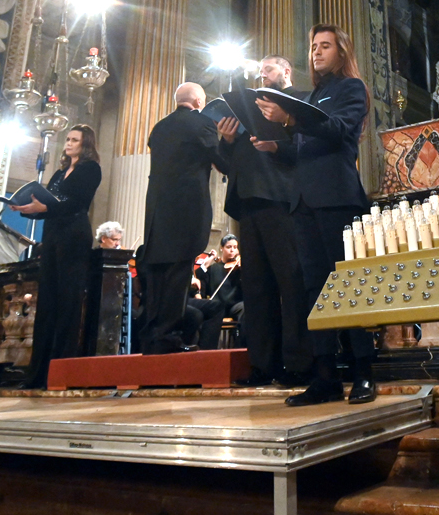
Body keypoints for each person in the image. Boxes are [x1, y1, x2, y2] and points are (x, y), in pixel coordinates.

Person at [256, 25, 376, 406]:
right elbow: (306, 151)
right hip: (304, 201)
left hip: (337, 196)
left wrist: (291, 121)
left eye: (325, 46)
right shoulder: (314, 95)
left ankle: (363, 372)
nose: (317, 52)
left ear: (342, 51)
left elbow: (340, 132)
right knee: (316, 289)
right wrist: (278, 147)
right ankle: (325, 376)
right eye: (312, 46)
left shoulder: (351, 89)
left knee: (348, 283)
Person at [215, 55, 313, 387]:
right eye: (260, 72)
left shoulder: (299, 102)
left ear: (286, 71)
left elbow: (308, 148)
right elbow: (231, 163)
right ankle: (262, 364)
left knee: (291, 282)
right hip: (248, 201)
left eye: (268, 69)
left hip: (282, 198)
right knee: (255, 288)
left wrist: (278, 142)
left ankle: (299, 363)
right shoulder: (250, 109)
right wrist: (227, 142)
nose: (263, 75)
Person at [141, 82, 227, 354]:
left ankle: (153, 338)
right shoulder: (202, 124)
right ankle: (168, 339)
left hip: (157, 212)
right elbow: (220, 160)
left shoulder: (159, 128)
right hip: (185, 211)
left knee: (158, 277)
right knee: (179, 275)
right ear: (200, 102)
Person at [17, 124, 102, 388]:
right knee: (47, 304)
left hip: (74, 236)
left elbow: (77, 203)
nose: (68, 143)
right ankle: (37, 374)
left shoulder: (91, 169)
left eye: (74, 140)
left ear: (85, 144)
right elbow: (48, 206)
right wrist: (27, 209)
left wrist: (46, 207)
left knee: (68, 302)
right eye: (67, 139)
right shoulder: (58, 172)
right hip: (52, 236)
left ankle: (62, 372)